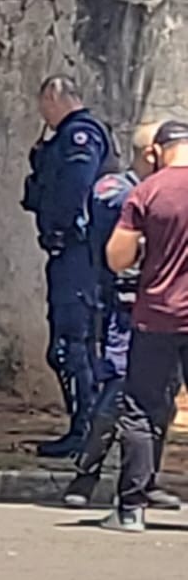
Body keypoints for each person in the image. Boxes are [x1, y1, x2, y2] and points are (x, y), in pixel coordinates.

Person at [62, 123, 182, 510]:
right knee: (120, 393)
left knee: (157, 402)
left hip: (156, 313)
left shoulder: (152, 192)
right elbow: (114, 254)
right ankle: (87, 475)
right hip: (124, 311)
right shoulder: (119, 190)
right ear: (150, 154)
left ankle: (142, 487)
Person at [21, 77, 116, 458]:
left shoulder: (80, 135)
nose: (42, 112)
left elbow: (74, 191)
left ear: (54, 97)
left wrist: (61, 231)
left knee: (72, 346)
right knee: (67, 346)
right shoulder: (62, 138)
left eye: (44, 103)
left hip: (79, 256)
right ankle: (88, 428)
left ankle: (87, 432)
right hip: (69, 256)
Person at [100, 120, 188, 533]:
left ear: (155, 151)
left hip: (157, 317)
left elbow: (116, 258)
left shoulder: (147, 191)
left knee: (140, 409)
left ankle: (131, 507)